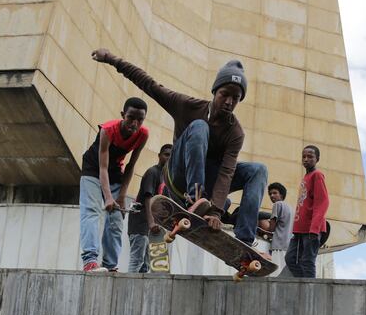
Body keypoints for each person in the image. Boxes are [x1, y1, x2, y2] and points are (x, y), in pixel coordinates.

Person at [91, 49, 267, 247]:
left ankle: (244, 239)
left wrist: (216, 211)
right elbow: (149, 84)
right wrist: (112, 59)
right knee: (200, 127)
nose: (228, 102)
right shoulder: (186, 105)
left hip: (208, 187)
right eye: (224, 94)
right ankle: (195, 200)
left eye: (235, 98)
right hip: (178, 178)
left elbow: (226, 172)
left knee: (258, 170)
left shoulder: (235, 132)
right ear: (215, 92)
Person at [80, 97, 149, 272]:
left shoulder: (143, 134)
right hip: (93, 168)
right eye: (130, 118)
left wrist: (121, 196)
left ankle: (110, 266)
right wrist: (108, 197)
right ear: (122, 115)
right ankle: (90, 261)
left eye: (139, 119)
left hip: (115, 172)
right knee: (92, 211)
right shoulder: (108, 130)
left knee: (116, 219)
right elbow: (102, 166)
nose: (134, 123)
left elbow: (131, 165)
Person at [286, 145, 329, 278]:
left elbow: (323, 202)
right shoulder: (306, 177)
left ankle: (310, 290)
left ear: (317, 159)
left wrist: (314, 228)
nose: (306, 159)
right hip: (300, 229)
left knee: (307, 261)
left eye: (310, 157)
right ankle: (303, 284)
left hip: (311, 229)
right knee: (290, 259)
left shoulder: (317, 175)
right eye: (304, 156)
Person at [127, 144, 172, 273]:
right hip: (140, 224)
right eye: (166, 154)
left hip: (151, 229)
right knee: (137, 261)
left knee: (146, 265)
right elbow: (148, 198)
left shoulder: (167, 178)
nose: (169, 158)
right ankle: (127, 289)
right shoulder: (153, 172)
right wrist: (151, 222)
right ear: (159, 156)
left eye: (171, 156)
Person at [262, 182, 293, 275]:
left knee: (276, 274)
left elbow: (271, 228)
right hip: (289, 245)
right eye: (270, 194)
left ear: (281, 195)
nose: (272, 195)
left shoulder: (277, 205)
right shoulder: (290, 207)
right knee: (285, 274)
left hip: (279, 245)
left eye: (275, 193)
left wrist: (261, 224)